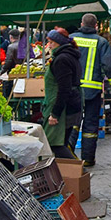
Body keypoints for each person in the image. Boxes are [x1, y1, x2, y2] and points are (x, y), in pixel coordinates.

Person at [71, 13, 111, 167]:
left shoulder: (71, 39)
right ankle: (88, 159)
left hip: (74, 90)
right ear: (96, 26)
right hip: (93, 91)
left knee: (72, 123)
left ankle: (68, 158)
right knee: (90, 126)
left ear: (81, 23)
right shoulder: (101, 42)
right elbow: (109, 66)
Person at [44, 28, 83, 159]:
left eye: (51, 42)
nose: (49, 45)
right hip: (73, 103)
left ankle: (78, 173)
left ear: (58, 43)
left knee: (56, 144)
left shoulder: (62, 59)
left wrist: (55, 113)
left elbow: (64, 89)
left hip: (65, 108)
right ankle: (69, 176)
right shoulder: (70, 55)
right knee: (63, 143)